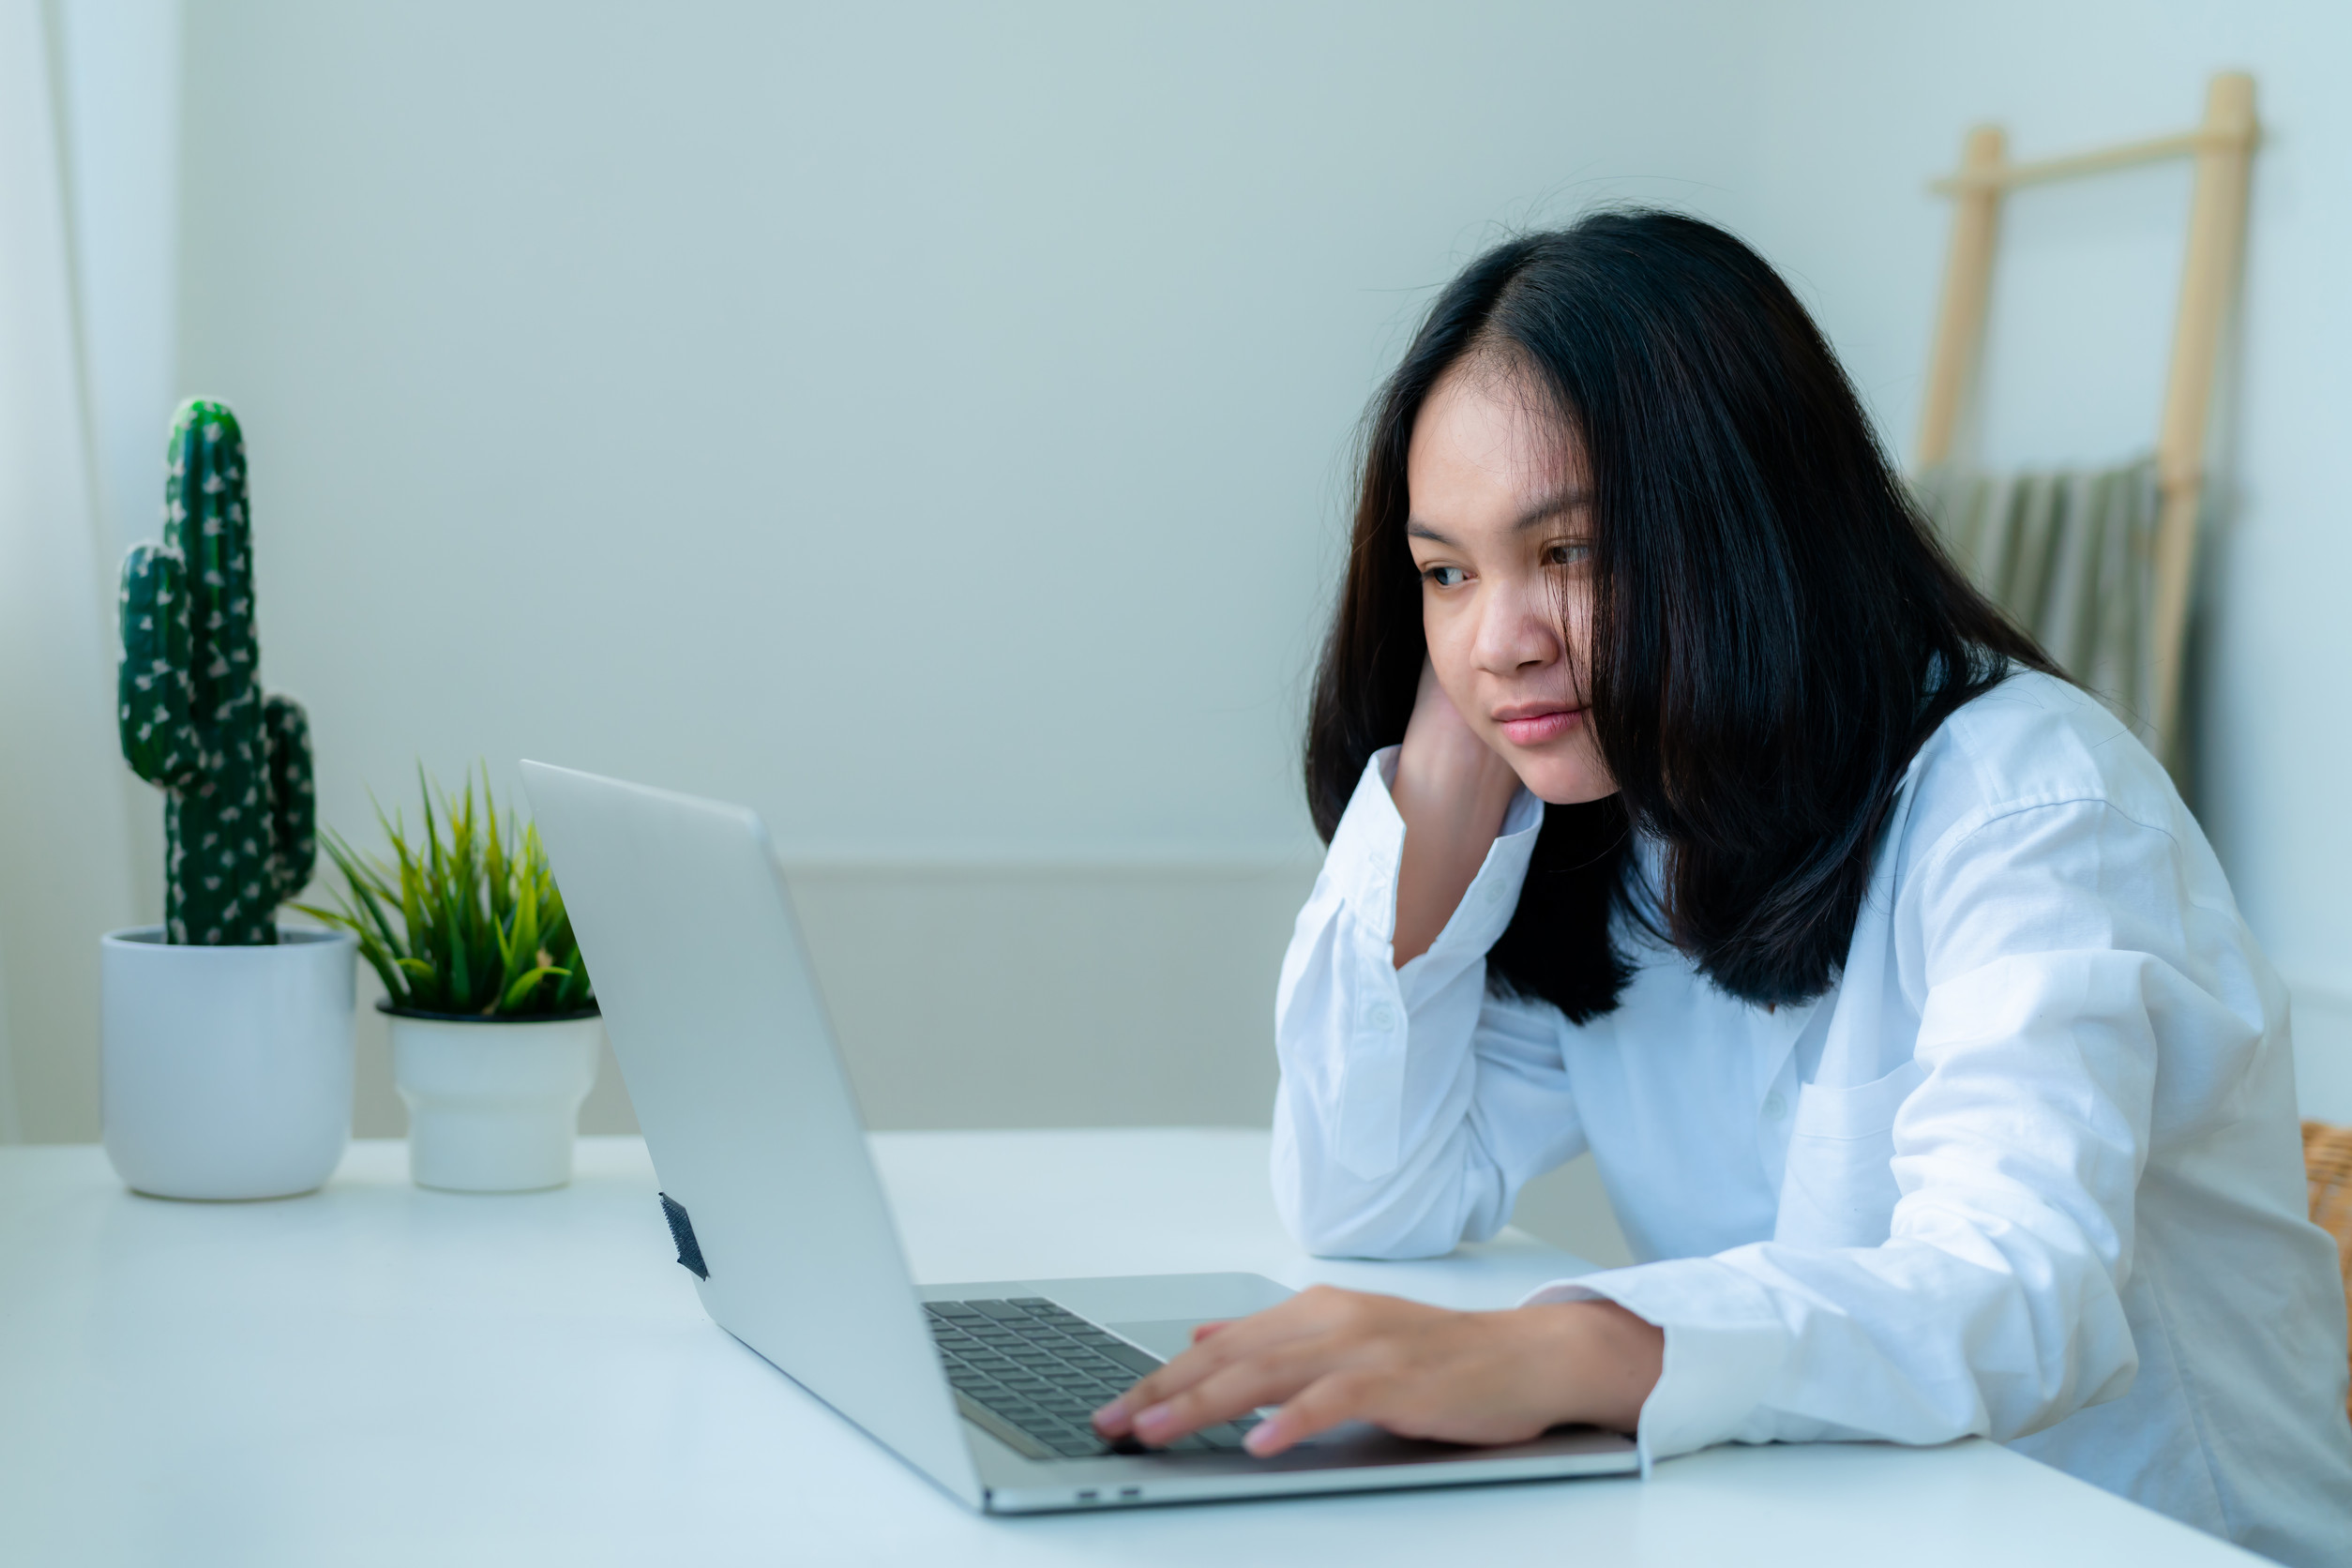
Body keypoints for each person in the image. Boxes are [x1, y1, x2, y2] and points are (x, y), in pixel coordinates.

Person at [1093, 210, 2352, 1564]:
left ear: (1745, 524)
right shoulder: (1609, 821)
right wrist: (1450, 781)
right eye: (1446, 573)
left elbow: (2018, 1294)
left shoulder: (2031, 798)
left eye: (1566, 553)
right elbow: (1371, 1201)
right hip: (1833, 1521)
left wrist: (1570, 1348)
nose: (1496, 640)